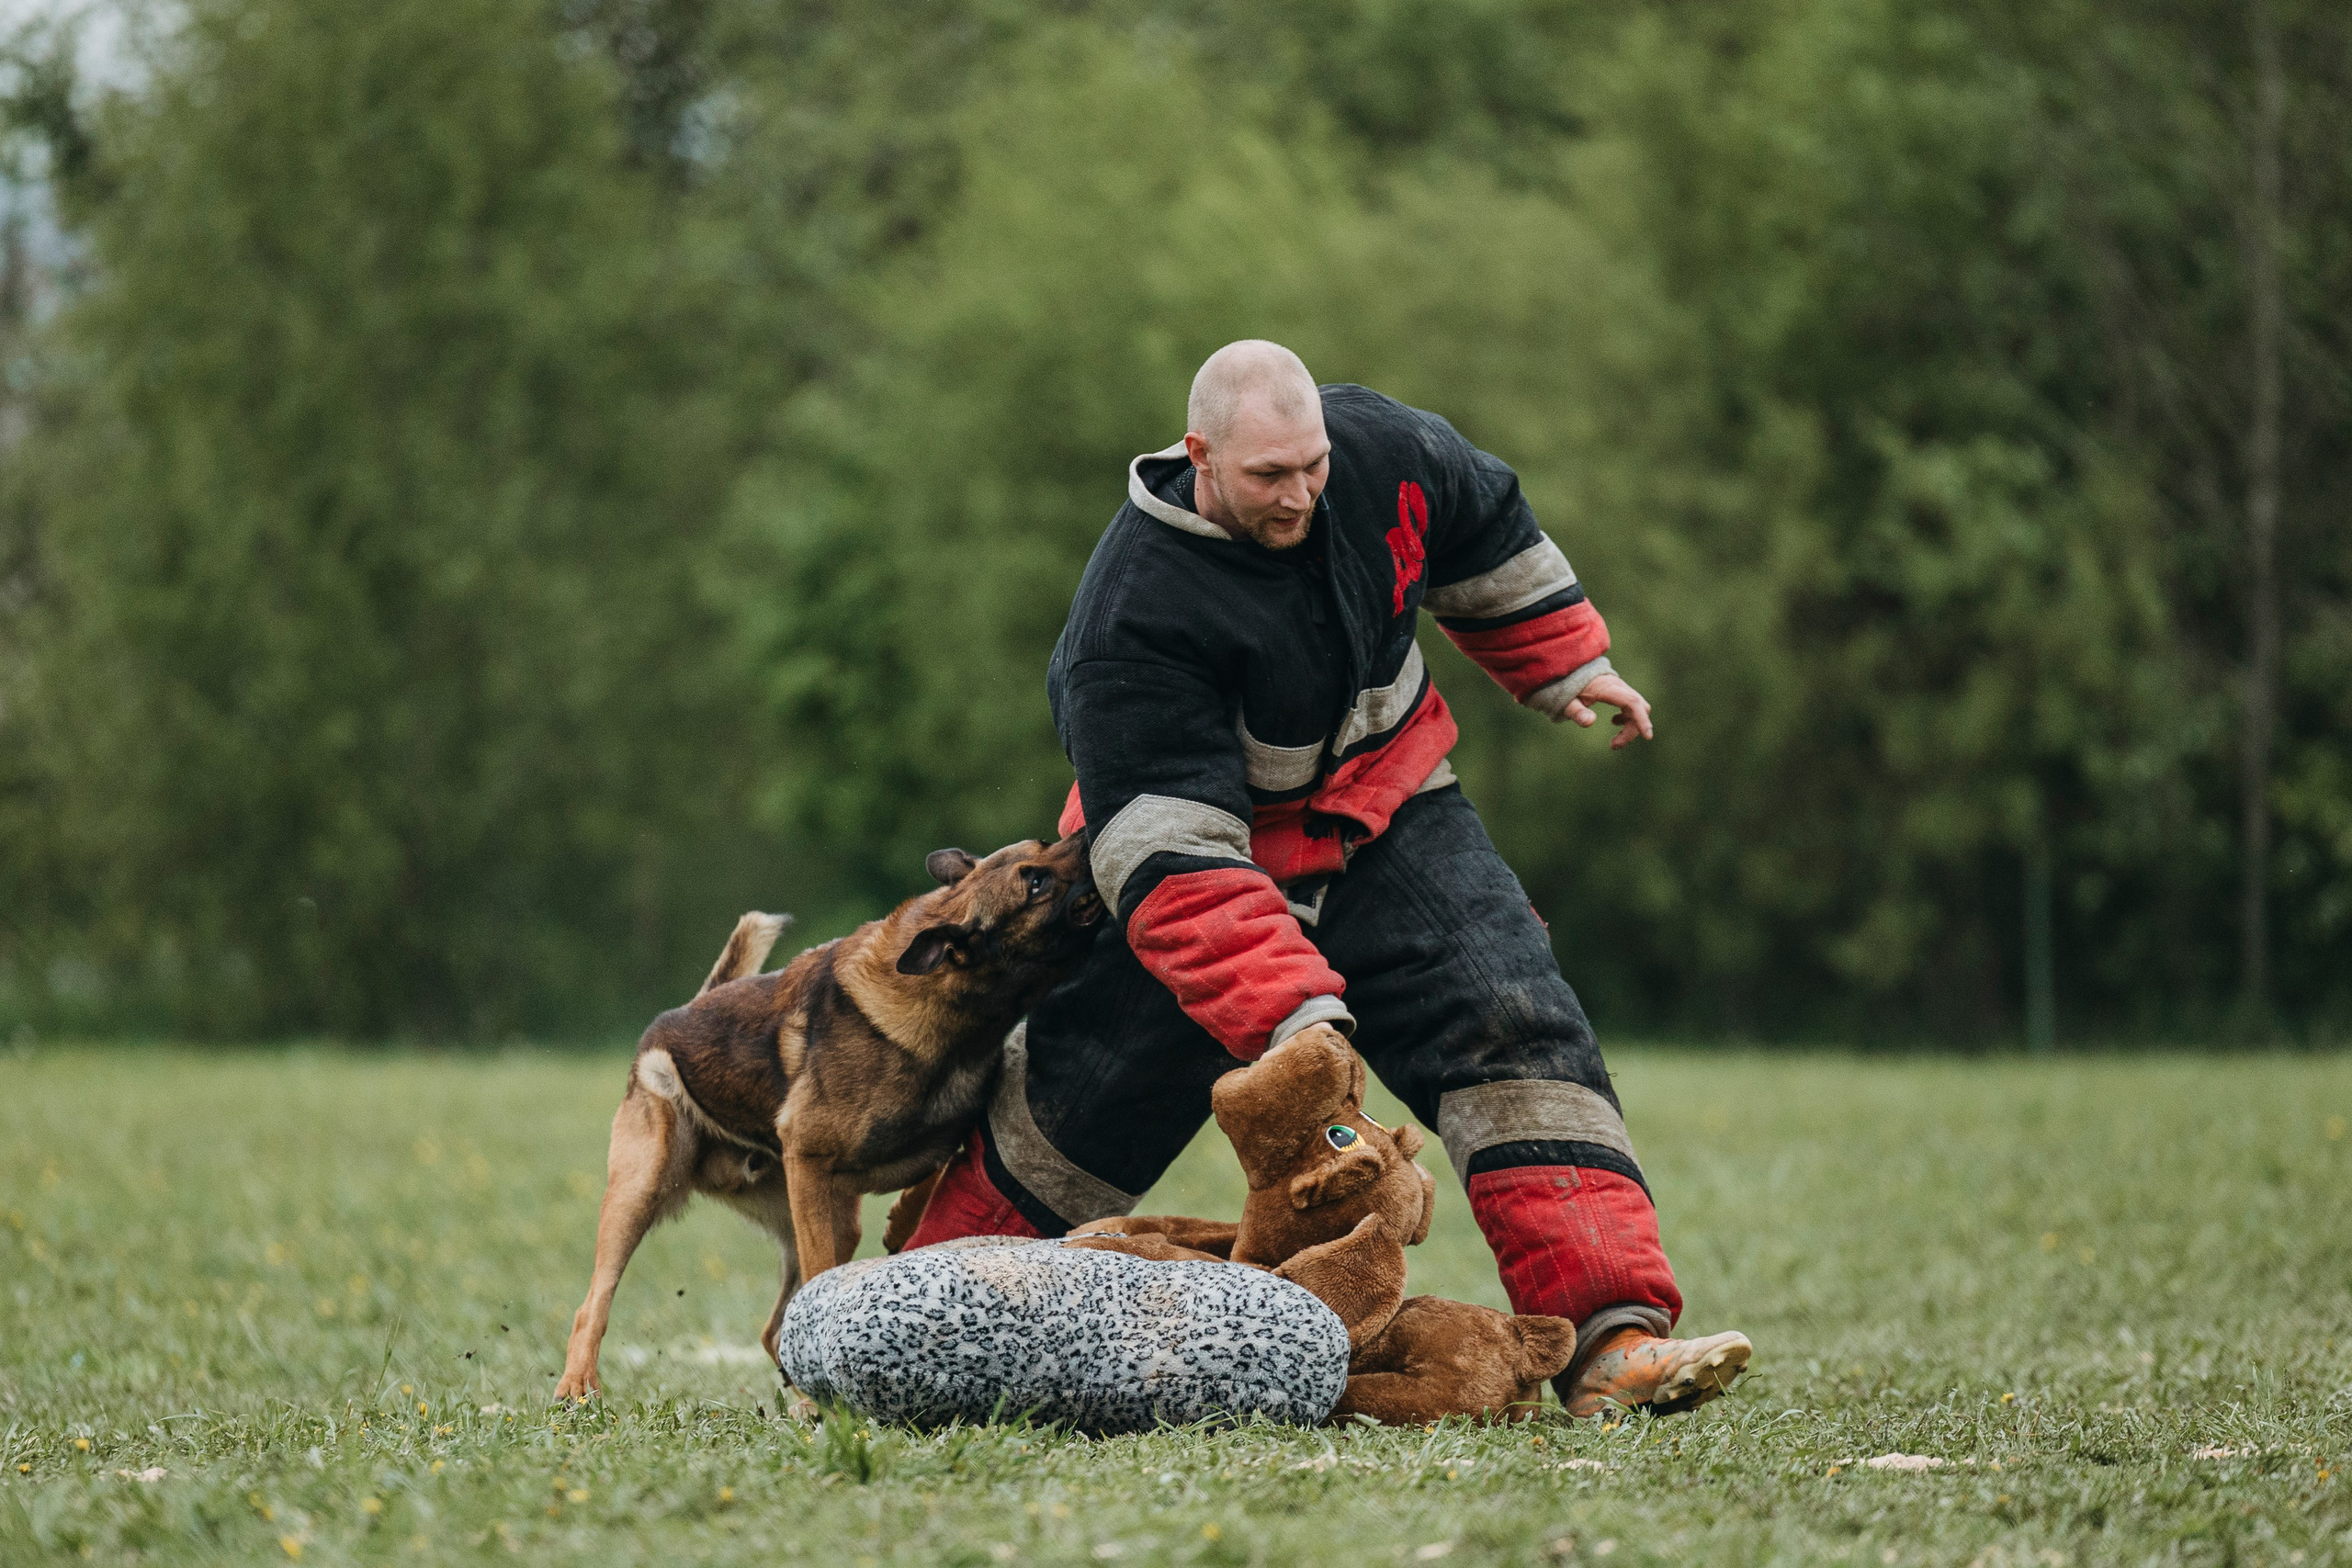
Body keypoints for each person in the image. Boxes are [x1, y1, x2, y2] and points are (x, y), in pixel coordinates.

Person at [906, 340, 1750, 1416]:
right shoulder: (1125, 623)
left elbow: (1482, 525)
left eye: (1312, 466)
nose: (1303, 492)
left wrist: (1567, 659)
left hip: (1389, 809)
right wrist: (1295, 1020)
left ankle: (1610, 1345)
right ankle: (900, 1324)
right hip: (1192, 873)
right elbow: (1173, 866)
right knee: (1071, 1121)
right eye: (1270, 477)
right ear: (1198, 456)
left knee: (1518, 1027)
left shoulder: (1381, 451)